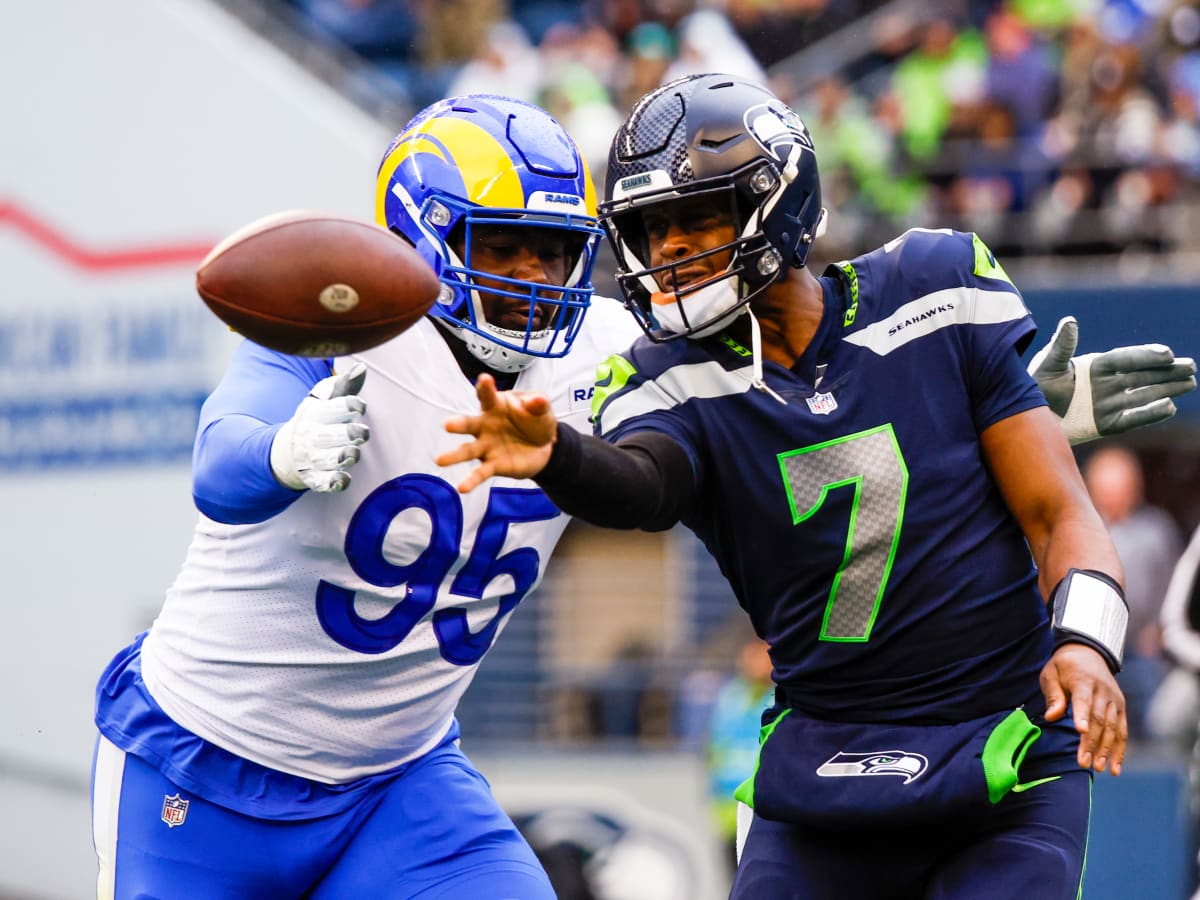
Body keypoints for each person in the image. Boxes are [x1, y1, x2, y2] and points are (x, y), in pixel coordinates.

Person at [437, 73, 1196, 900]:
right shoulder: (668, 381)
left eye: (697, 218)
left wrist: (1085, 643)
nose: (669, 252)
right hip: (824, 764)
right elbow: (641, 484)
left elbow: (1060, 514)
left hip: (1003, 748)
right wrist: (558, 458)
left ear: (778, 201)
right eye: (652, 231)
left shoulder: (935, 287)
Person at [89, 94, 641, 899]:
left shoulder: (605, 352)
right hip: (204, 760)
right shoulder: (344, 333)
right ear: (423, 241)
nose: (535, 276)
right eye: (505, 245)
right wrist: (284, 452)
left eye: (555, 251)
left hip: (398, 783)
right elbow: (218, 464)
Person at [1083, 443, 1185, 738]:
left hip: (1142, 647)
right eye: (1107, 487)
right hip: (1090, 643)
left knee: (1159, 721)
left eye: (1121, 486)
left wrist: (1158, 630)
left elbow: (1171, 584)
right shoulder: (1079, 530)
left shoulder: (1157, 530)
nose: (1115, 494)